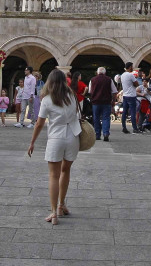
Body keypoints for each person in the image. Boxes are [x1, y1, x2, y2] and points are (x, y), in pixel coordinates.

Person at [27, 69, 82, 225]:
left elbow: (39, 123)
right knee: (66, 170)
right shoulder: (72, 97)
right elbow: (77, 115)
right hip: (72, 136)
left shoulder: (47, 100)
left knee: (53, 175)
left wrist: (32, 142)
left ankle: (53, 213)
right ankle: (61, 205)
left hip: (56, 137)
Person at [88, 66, 116, 142]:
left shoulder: (92, 80)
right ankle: (106, 133)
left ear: (97, 73)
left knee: (96, 118)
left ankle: (97, 134)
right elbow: (114, 91)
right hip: (106, 102)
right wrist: (113, 100)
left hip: (96, 102)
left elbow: (90, 91)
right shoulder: (109, 80)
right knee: (106, 118)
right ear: (105, 73)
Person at [120, 62, 140, 134]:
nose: (132, 68)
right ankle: (135, 128)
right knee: (133, 112)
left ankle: (124, 127)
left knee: (124, 112)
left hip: (125, 95)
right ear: (130, 67)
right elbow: (136, 84)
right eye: (132, 66)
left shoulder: (122, 75)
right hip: (131, 95)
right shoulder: (130, 75)